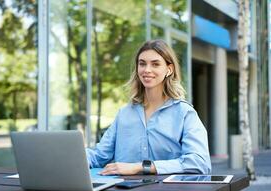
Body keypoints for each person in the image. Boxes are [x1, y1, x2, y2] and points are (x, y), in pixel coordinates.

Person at [86, 39, 211, 175]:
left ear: (169, 70)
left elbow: (199, 162)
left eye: (155, 64)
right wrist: (73, 157)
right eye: (142, 64)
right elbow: (98, 156)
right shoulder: (124, 114)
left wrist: (140, 167)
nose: (147, 70)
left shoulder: (184, 113)